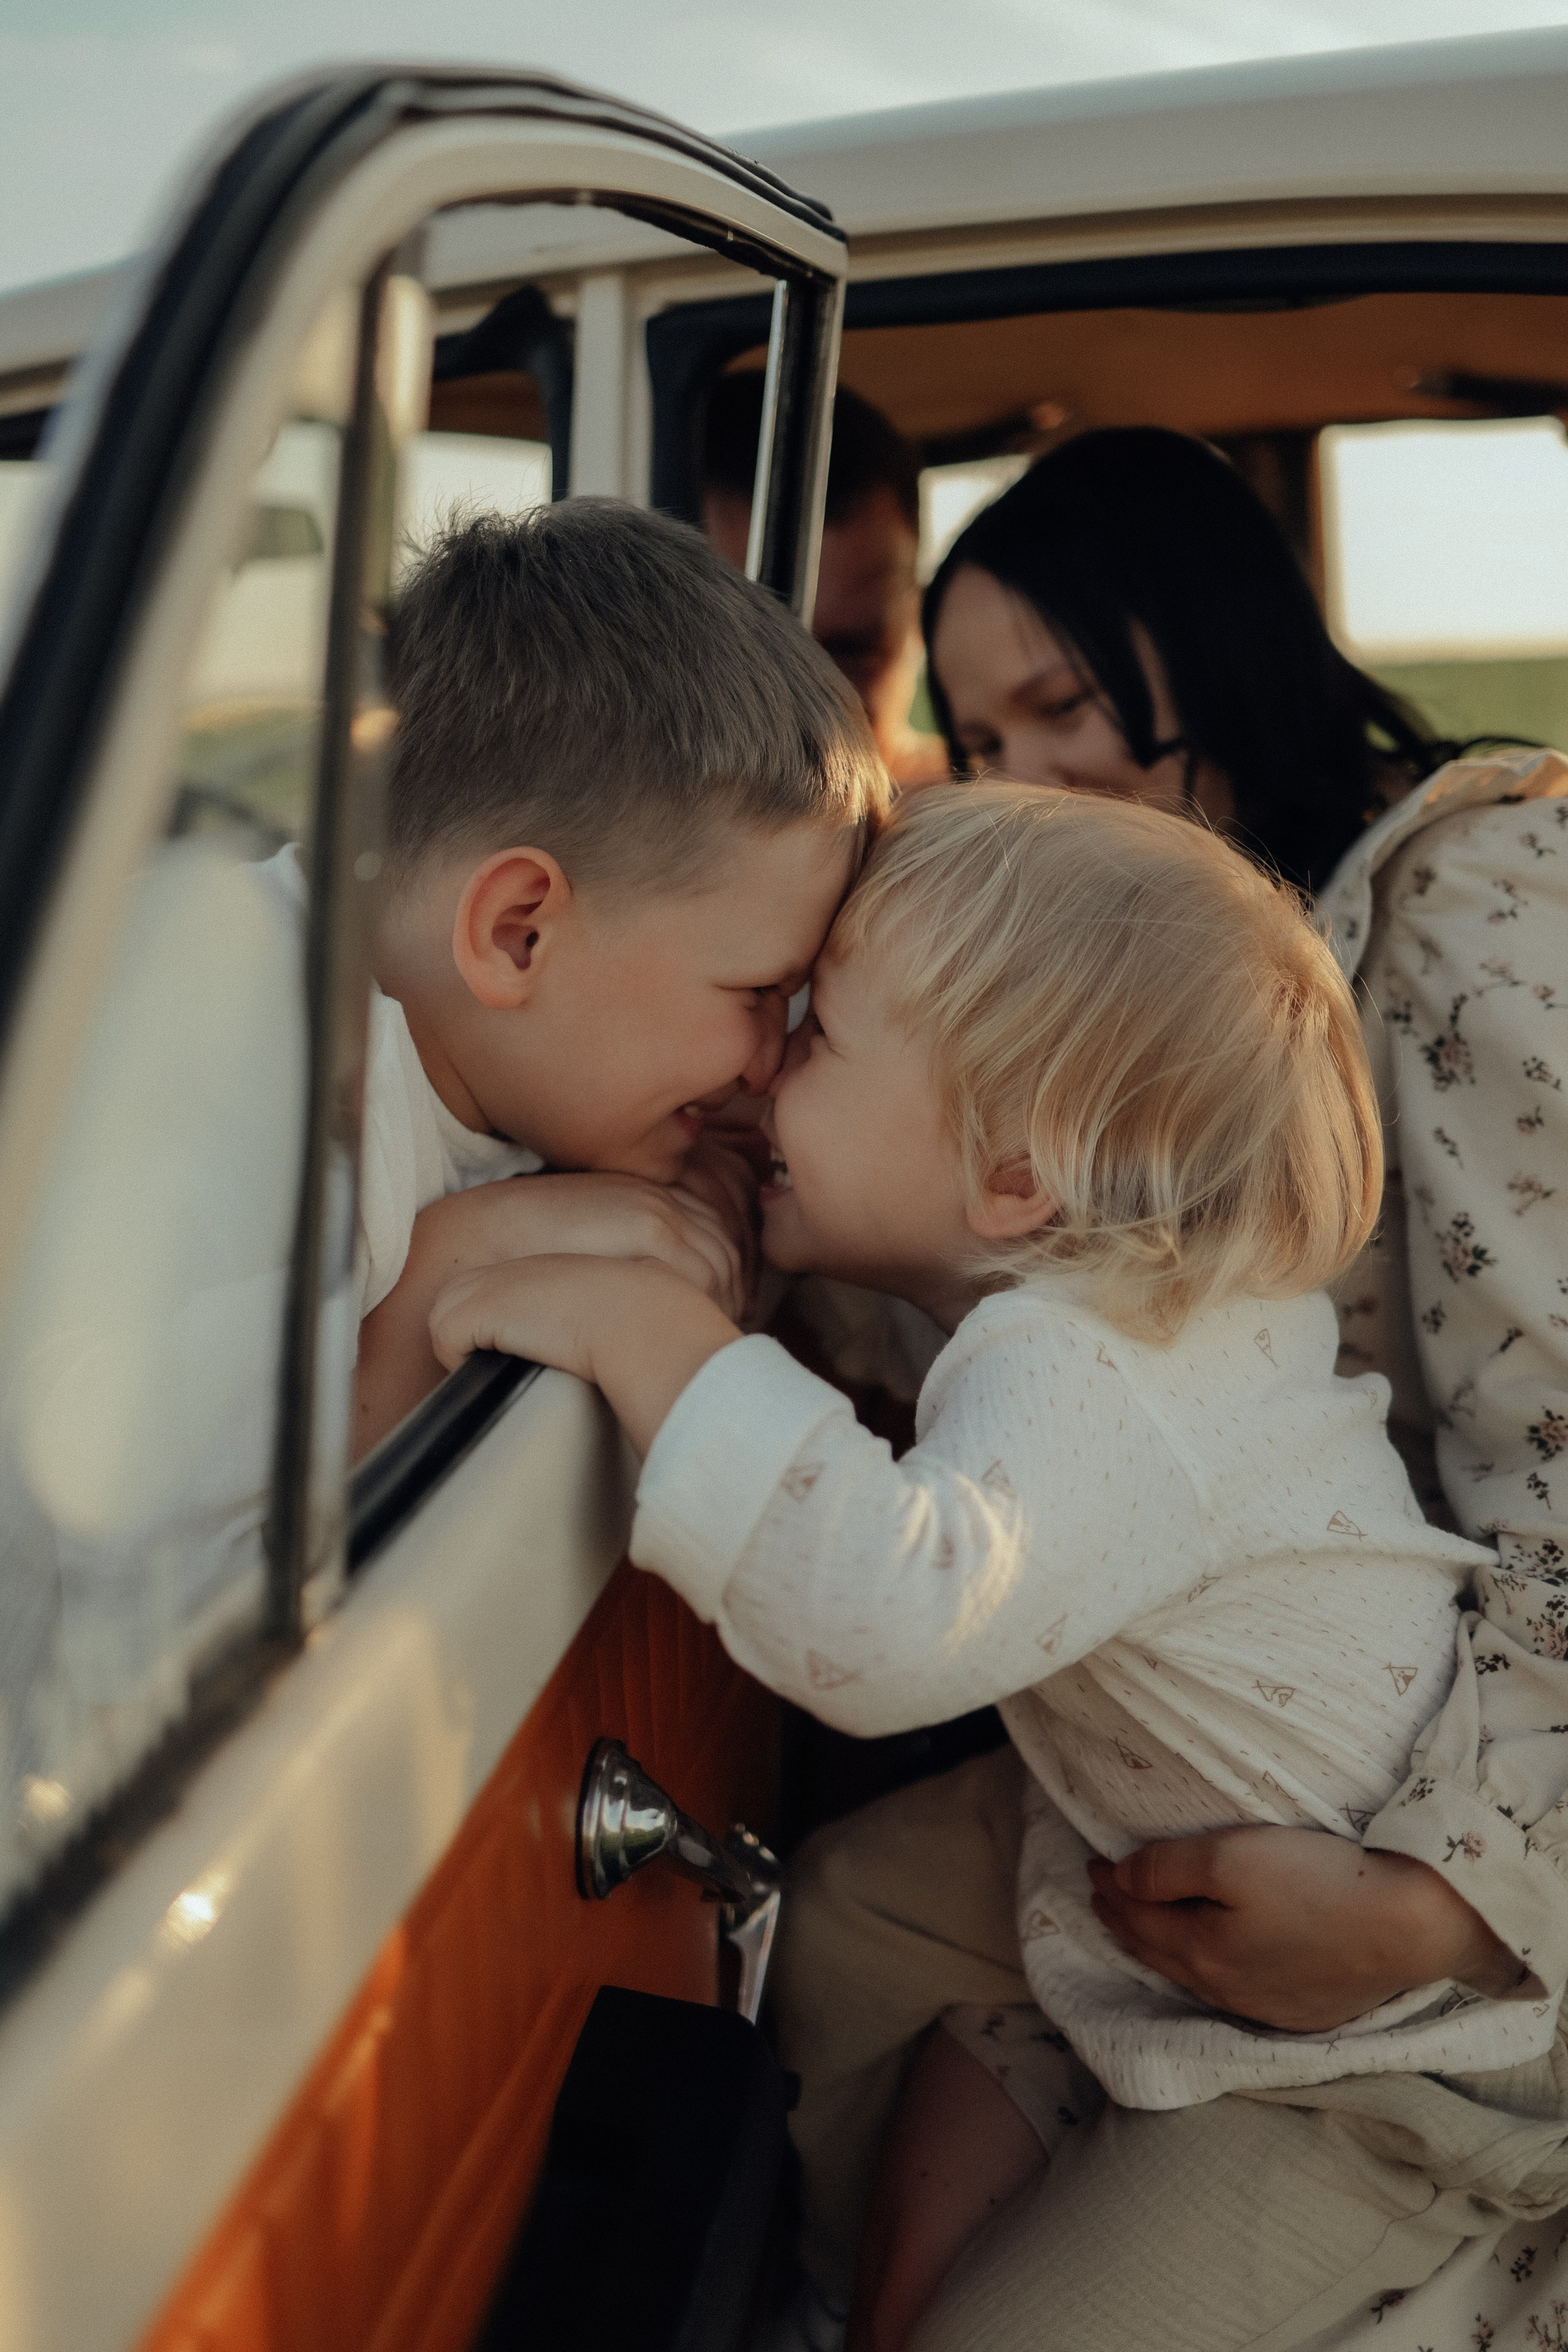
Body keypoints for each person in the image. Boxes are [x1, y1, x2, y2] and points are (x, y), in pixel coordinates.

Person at [427, 782, 1568, 2352]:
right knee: (832, 1924)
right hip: (1144, 1833)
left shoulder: (1101, 1368)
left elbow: (883, 1622)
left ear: (1017, 1180)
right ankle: (850, 2276)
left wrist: (662, 1342)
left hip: (1375, 2055)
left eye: (814, 1035)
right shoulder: (1080, 1292)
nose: (765, 1069)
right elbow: (879, 1341)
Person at [329, 499, 889, 1453]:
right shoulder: (253, 1089)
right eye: (756, 993)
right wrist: (464, 1261)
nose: (765, 1066)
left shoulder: (508, 1060)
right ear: (518, 936)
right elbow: (184, 1564)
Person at [921, 424, 1455, 893]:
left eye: (1063, 706)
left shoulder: (1469, 896)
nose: (1020, 791)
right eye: (985, 748)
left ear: (1221, 653)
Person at [703, 374, 949, 789]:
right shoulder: (600, 830)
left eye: (855, 654)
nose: (813, 706)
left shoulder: (994, 830)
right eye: (750, 656)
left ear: (923, 622)